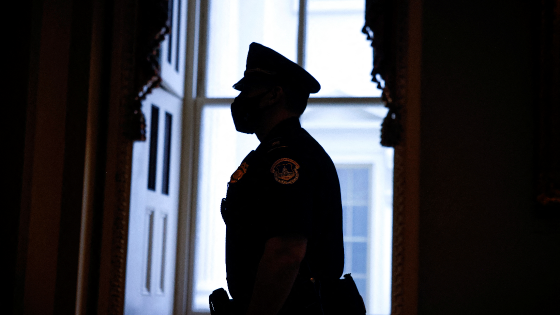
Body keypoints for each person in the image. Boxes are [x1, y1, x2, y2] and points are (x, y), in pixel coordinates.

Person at [220, 42, 344, 315]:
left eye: (247, 91)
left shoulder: (286, 158)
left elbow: (286, 253)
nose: (240, 100)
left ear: (273, 95)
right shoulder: (278, 152)